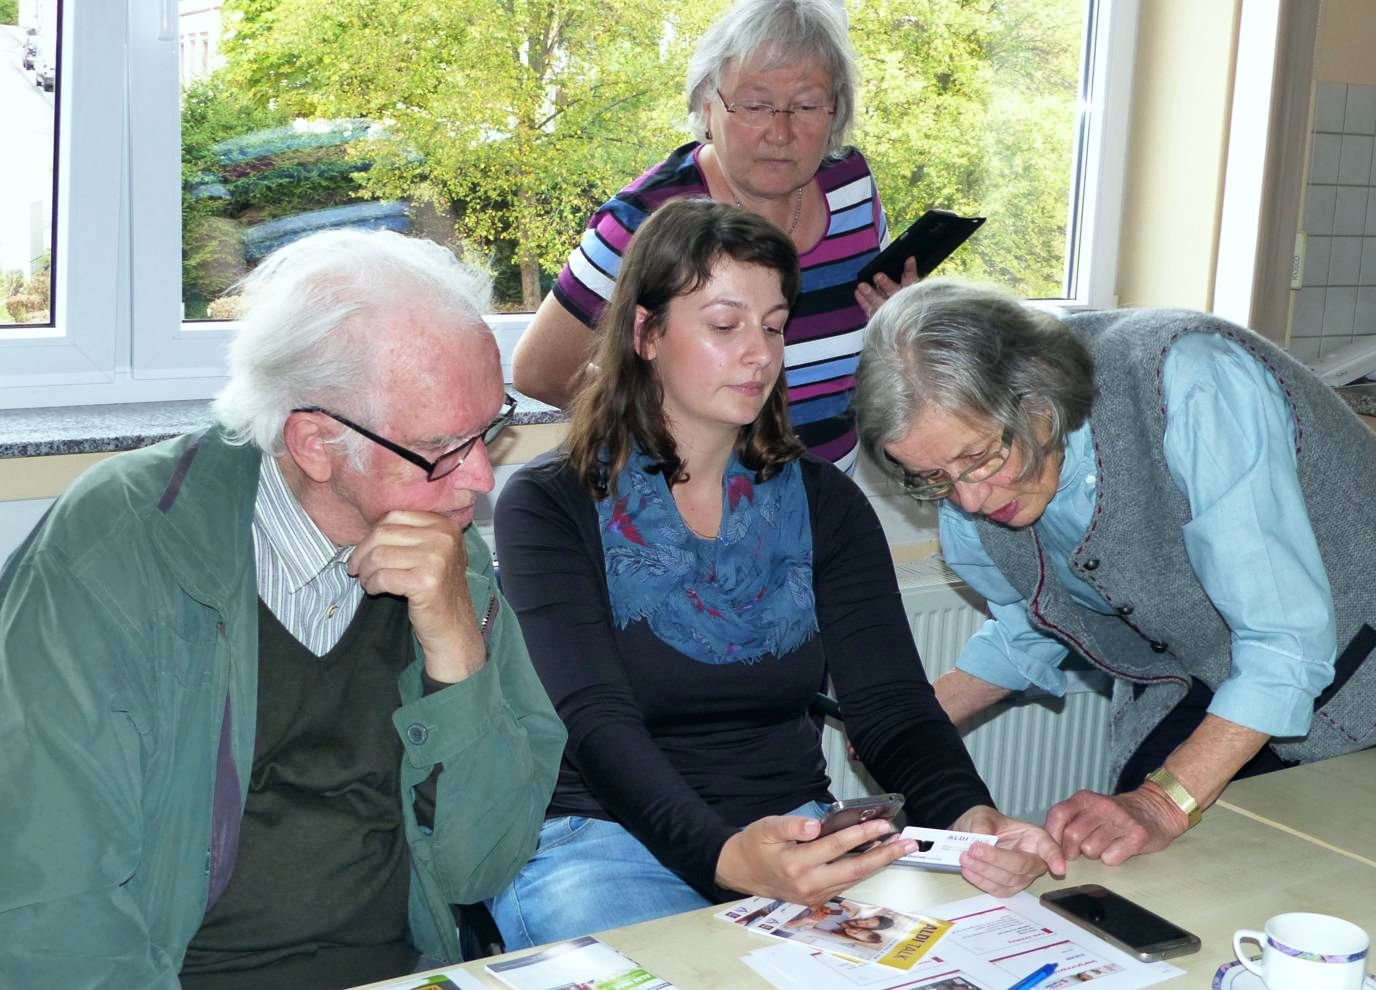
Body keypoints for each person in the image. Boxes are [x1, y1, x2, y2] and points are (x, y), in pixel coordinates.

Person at [488, 199, 1064, 949]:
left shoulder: (826, 502)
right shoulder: (549, 504)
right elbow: (596, 725)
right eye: (725, 325)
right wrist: (726, 859)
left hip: (792, 838)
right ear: (646, 333)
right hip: (599, 841)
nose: (760, 354)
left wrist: (969, 817)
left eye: (773, 325)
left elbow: (889, 705)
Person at [0, 230, 567, 989]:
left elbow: (482, 865)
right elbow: (52, 909)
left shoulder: (448, 556)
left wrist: (458, 651)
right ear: (315, 443)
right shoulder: (117, 550)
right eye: (442, 447)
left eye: (489, 432)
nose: (476, 481)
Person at [854, 278, 1376, 868]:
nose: (968, 500)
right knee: (1145, 863)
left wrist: (1161, 804)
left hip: (1375, 628)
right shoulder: (966, 491)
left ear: (1040, 397)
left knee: (1328, 866)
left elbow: (1284, 641)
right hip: (1201, 655)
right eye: (934, 477)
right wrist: (914, 719)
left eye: (979, 457)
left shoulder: (1189, 380)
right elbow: (1039, 624)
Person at [509, 0, 914, 471]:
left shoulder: (851, 186)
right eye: (755, 105)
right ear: (707, 102)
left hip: (827, 502)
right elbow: (539, 371)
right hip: (694, 513)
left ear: (835, 111)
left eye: (805, 106)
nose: (780, 132)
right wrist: (664, 428)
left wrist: (896, 320)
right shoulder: (647, 217)